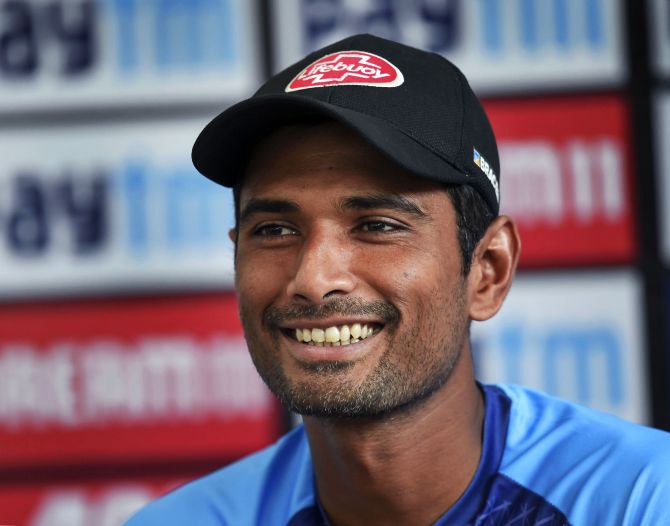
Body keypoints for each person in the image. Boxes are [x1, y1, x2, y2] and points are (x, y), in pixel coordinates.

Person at [126, 34, 670, 525]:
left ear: (488, 271)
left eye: (377, 225)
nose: (314, 279)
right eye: (274, 230)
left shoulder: (644, 499)